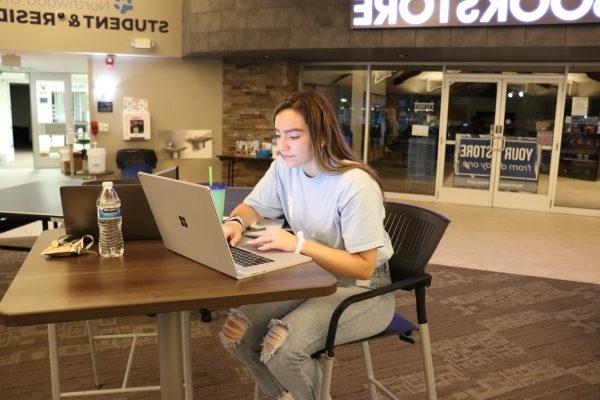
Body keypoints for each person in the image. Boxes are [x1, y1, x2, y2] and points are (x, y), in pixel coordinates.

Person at [219, 91, 395, 400]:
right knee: (238, 333)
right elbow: (253, 206)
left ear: (322, 138)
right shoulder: (285, 167)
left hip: (366, 288)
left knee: (283, 347)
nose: (282, 146)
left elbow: (363, 265)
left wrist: (299, 245)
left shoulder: (355, 184)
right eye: (278, 135)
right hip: (314, 276)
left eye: (294, 136)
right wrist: (235, 222)